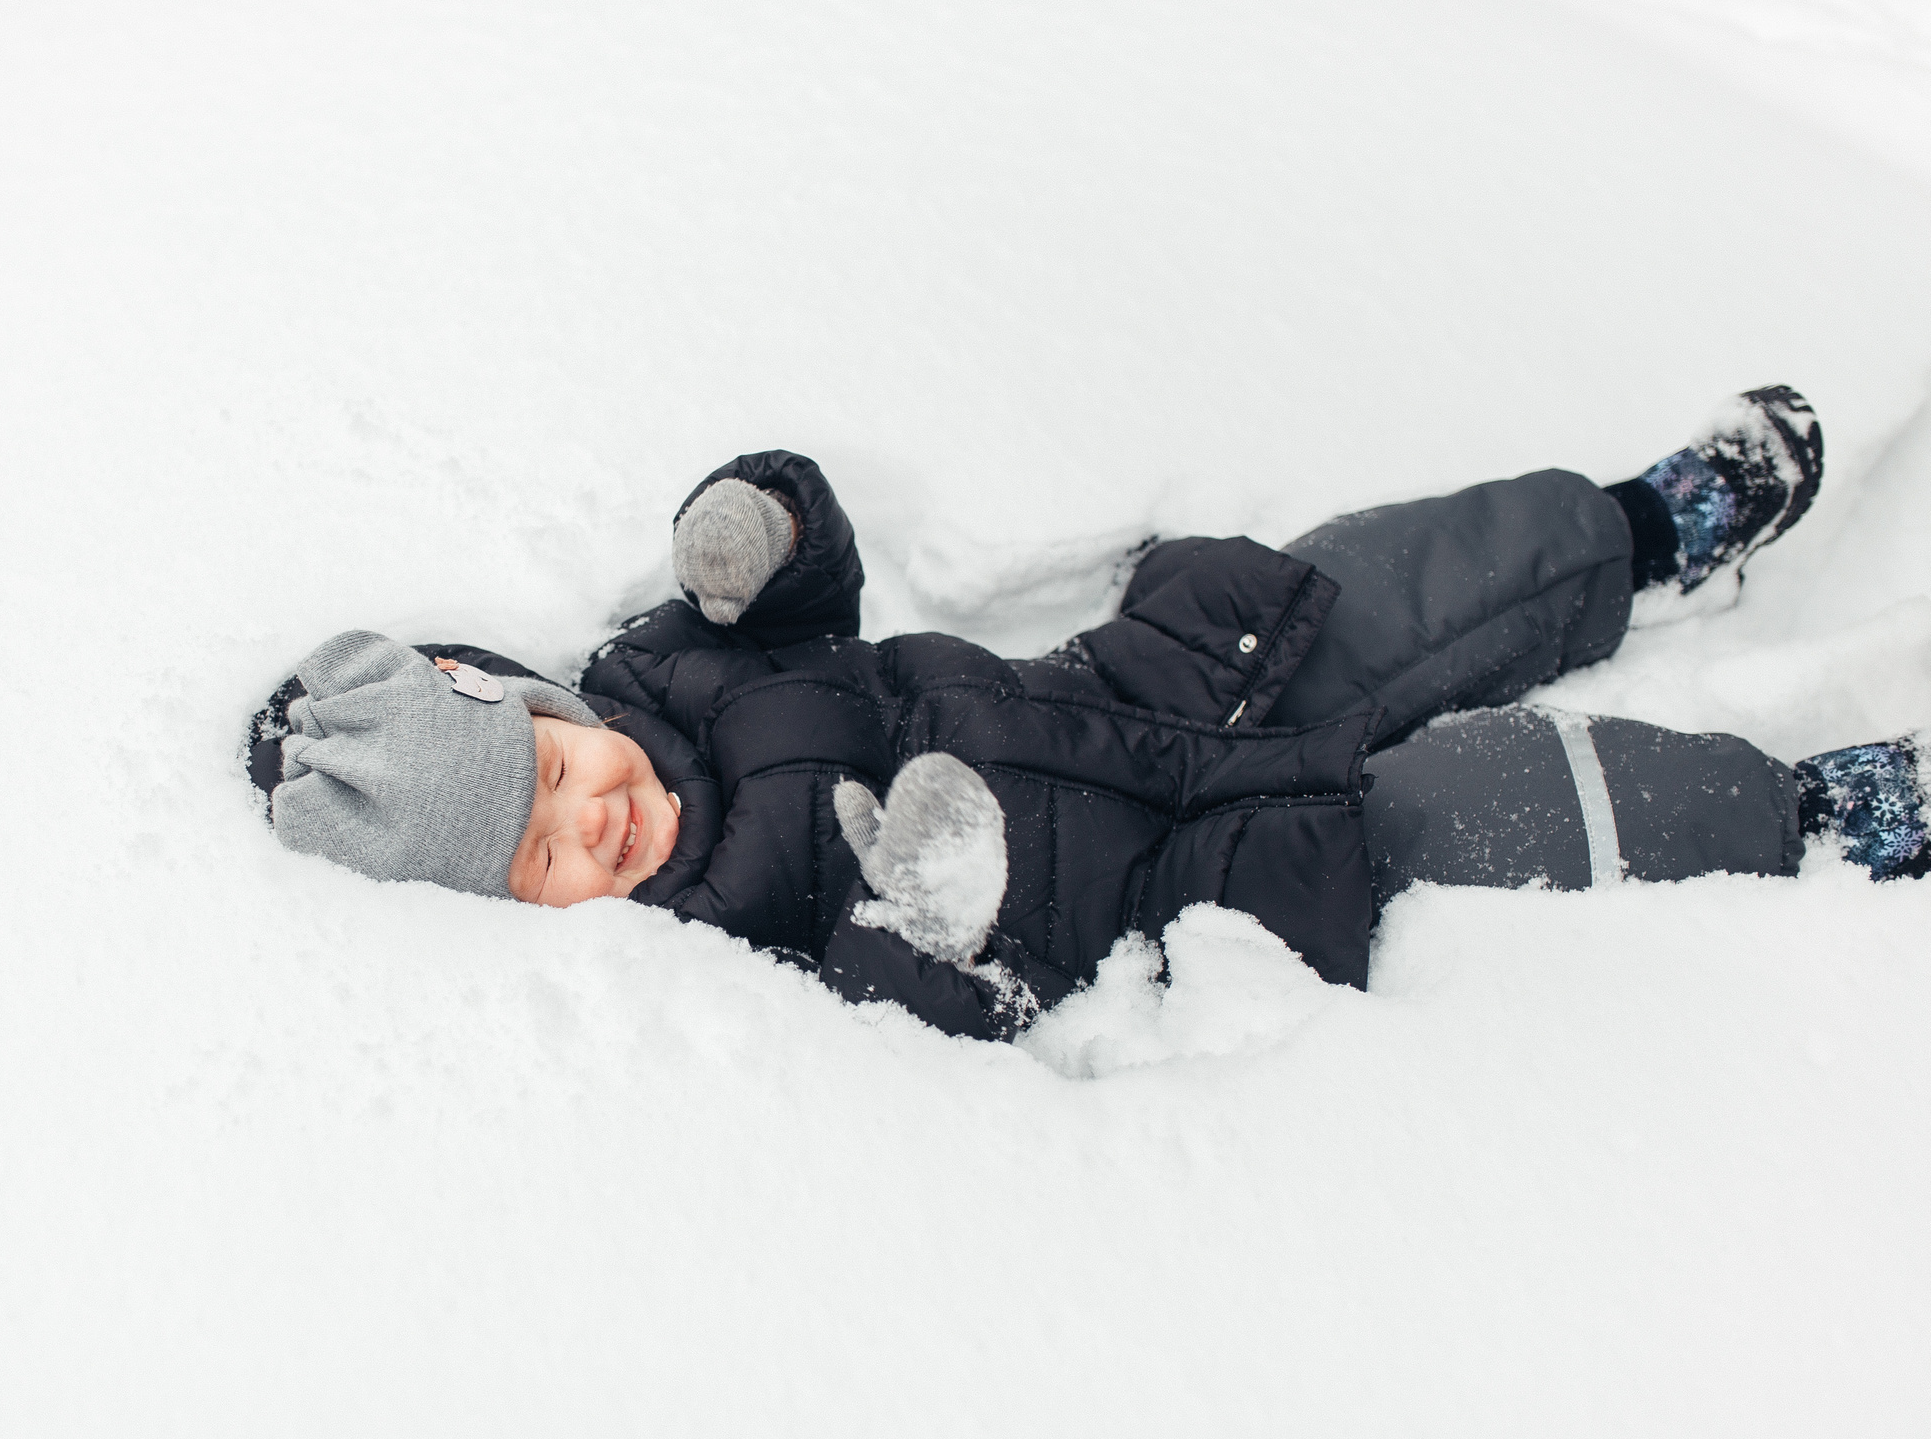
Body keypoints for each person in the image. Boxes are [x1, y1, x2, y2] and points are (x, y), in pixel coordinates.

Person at [246, 388, 1928, 1041]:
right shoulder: (710, 967)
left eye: (555, 777)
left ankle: (1645, 525)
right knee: (1502, 797)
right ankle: (1811, 815)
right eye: (545, 861)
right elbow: (922, 1035)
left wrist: (759, 527)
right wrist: (940, 923)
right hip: (1191, 887)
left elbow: (814, 573)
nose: (592, 820)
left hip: (1151, 687)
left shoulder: (672, 665)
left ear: (544, 702)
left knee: (1395, 577)